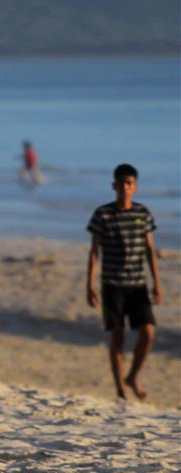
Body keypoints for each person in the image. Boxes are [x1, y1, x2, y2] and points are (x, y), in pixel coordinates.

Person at [86, 163, 162, 401]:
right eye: (120, 184)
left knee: (148, 334)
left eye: (129, 184)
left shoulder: (143, 213)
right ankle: (120, 389)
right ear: (114, 186)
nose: (124, 188)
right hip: (112, 285)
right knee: (117, 336)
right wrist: (89, 285)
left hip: (138, 285)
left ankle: (132, 377)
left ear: (135, 187)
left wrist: (156, 283)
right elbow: (94, 252)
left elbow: (150, 249)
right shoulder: (103, 215)